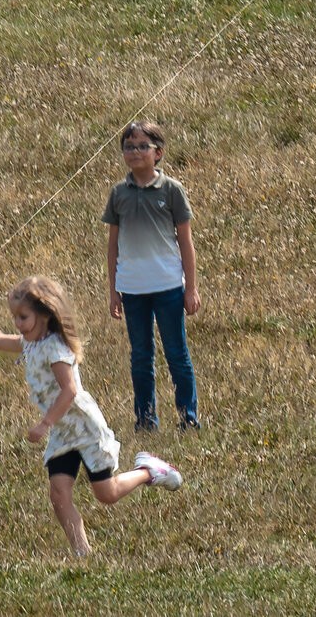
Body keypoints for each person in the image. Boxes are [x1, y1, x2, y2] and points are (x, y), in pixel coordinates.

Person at [0, 275, 183, 558]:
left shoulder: (55, 347)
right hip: (64, 433)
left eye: (23, 317)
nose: (17, 324)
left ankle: (150, 471)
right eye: (15, 317)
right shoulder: (31, 343)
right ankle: (82, 553)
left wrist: (45, 423)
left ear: (44, 315)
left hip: (84, 428)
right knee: (59, 494)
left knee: (107, 494)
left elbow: (70, 390)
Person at [102, 120, 201, 431]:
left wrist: (191, 288)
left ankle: (188, 417)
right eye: (129, 147)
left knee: (176, 354)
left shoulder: (172, 190)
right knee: (141, 357)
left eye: (143, 146)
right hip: (133, 289)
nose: (135, 152)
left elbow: (185, 241)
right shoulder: (119, 193)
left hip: (168, 286)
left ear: (158, 153)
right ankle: (145, 420)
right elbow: (113, 244)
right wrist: (113, 290)